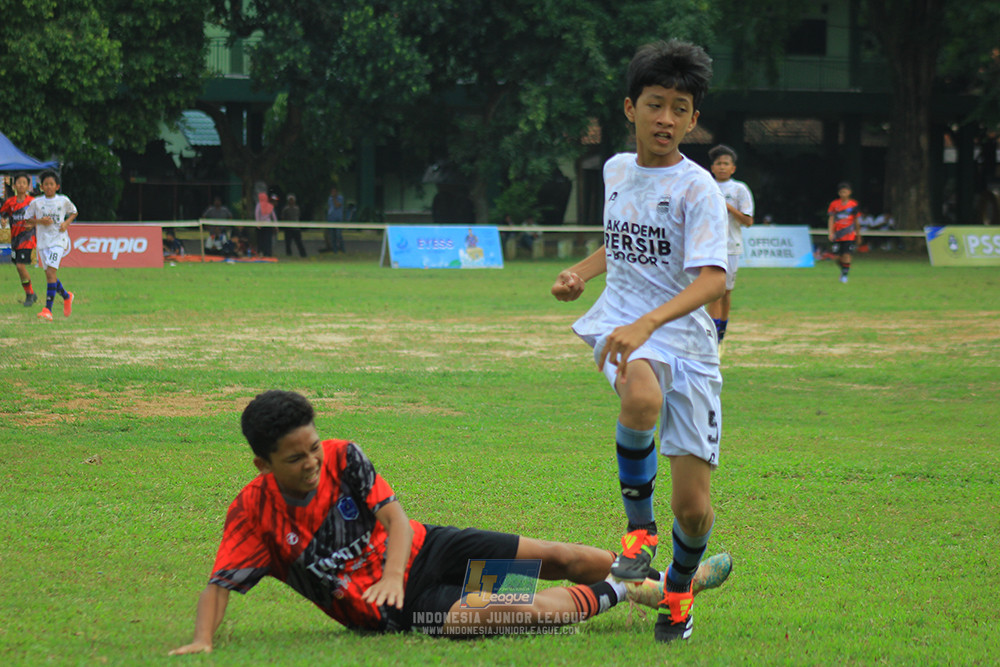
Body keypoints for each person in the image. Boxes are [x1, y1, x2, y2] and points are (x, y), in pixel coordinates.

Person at [168, 390, 734, 655]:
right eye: (296, 458)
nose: (313, 462)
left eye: (313, 447)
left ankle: (665, 589)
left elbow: (394, 517)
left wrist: (392, 571)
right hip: (401, 608)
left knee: (561, 556)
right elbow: (221, 583)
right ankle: (633, 592)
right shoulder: (253, 513)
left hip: (429, 550)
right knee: (514, 610)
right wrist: (200, 639)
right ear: (262, 464)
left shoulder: (344, 456)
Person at [550, 40, 727, 643]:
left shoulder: (699, 188)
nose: (667, 119)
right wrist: (582, 271)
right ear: (630, 108)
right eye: (656, 104)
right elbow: (620, 241)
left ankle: (678, 587)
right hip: (622, 322)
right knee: (641, 394)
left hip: (688, 343)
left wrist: (653, 324)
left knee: (694, 509)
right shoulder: (616, 171)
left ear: (694, 119)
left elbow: (714, 278)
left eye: (681, 108)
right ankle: (637, 534)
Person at [705, 144, 754, 356]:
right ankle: (711, 338)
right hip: (707, 247)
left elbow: (748, 221)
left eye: (726, 164)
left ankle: (721, 333)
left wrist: (728, 207)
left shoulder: (739, 189)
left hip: (730, 248)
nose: (722, 167)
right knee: (711, 293)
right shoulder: (705, 186)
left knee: (725, 293)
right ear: (712, 167)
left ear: (733, 168)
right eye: (718, 163)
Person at [22, 170, 77, 321]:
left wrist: (66, 223)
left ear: (57, 186)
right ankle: (66, 296)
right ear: (41, 186)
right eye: (45, 184)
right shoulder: (36, 203)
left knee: (51, 273)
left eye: (51, 184)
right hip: (43, 242)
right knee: (50, 275)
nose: (48, 187)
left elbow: (74, 212)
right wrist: (40, 222)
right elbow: (27, 222)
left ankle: (48, 309)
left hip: (58, 241)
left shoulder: (63, 200)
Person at [0, 173, 38, 307]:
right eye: (19, 182)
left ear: (28, 186)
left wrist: (33, 224)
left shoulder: (32, 202)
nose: (21, 185)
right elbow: (4, 214)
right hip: (15, 240)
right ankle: (31, 293)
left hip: (27, 239)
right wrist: (3, 220)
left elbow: (41, 218)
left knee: (20, 266)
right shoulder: (10, 202)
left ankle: (30, 294)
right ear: (14, 185)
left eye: (24, 183)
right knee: (18, 267)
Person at [827, 182, 861, 283]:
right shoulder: (834, 204)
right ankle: (844, 270)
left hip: (849, 234)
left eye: (845, 192)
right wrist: (830, 232)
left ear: (849, 192)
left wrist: (858, 234)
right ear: (839, 193)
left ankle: (845, 276)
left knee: (847, 255)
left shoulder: (854, 204)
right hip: (837, 234)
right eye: (841, 192)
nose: (843, 194)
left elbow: (856, 220)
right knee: (837, 257)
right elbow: (831, 219)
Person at [254, 191, 276, 257]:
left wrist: (257, 223)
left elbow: (256, 214)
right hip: (268, 225)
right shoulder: (270, 205)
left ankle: (261, 252)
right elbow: (274, 216)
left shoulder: (258, 205)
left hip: (260, 225)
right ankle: (268, 253)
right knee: (268, 240)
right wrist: (276, 226)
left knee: (261, 239)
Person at [324, 186, 345, 253]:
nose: (333, 193)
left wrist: (334, 198)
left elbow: (337, 205)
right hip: (331, 219)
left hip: (338, 219)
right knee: (332, 236)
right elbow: (329, 208)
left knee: (338, 235)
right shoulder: (329, 199)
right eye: (332, 192)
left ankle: (342, 249)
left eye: (334, 192)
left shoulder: (340, 198)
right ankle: (335, 250)